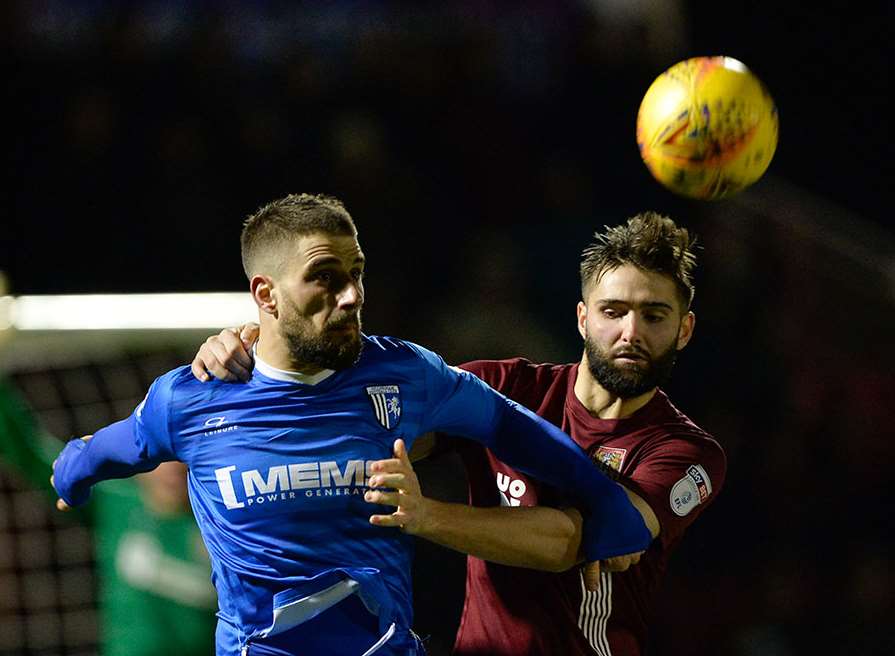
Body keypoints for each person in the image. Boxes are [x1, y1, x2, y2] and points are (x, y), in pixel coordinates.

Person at [51, 193, 653, 656]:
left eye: (356, 272)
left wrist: (605, 503)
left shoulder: (404, 374)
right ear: (266, 294)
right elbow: (105, 450)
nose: (350, 296)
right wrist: (70, 476)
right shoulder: (193, 399)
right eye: (325, 277)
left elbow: (512, 427)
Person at [195, 211, 726, 655]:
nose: (630, 332)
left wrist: (427, 515)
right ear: (584, 319)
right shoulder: (505, 388)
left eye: (654, 315)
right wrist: (262, 351)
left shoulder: (684, 452)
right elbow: (375, 425)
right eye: (614, 311)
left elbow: (574, 540)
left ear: (684, 329)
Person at [0, 379, 217, 656]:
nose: (173, 467)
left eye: (182, 453)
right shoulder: (115, 502)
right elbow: (32, 455)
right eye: (163, 453)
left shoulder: (221, 523)